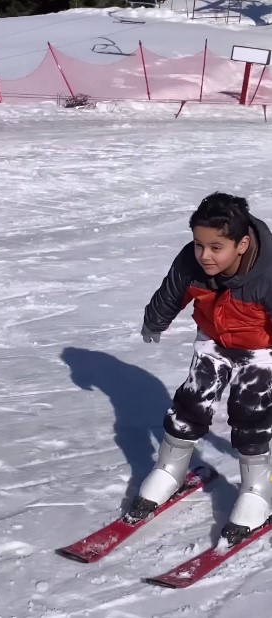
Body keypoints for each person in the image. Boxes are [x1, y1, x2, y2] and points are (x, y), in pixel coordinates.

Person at [125, 192, 272, 545]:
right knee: (190, 404)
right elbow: (173, 288)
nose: (205, 255)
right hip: (213, 339)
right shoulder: (194, 262)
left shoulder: (268, 272)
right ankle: (170, 468)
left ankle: (256, 490)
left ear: (242, 244)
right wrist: (155, 320)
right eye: (198, 245)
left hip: (260, 349)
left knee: (249, 414)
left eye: (216, 247)